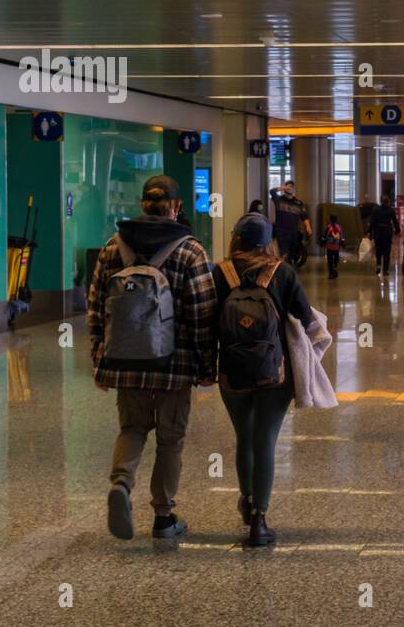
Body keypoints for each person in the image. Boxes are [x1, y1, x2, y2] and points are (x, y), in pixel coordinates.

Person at [88, 174, 216, 541]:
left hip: (125, 360)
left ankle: (121, 484)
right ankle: (163, 517)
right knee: (170, 438)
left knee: (132, 428)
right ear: (176, 207)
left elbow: (95, 306)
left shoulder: (114, 247)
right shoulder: (190, 250)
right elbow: (202, 312)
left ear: (143, 204)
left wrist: (100, 361)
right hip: (173, 364)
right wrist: (207, 366)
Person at [212, 213, 313, 547]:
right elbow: (307, 319)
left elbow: (207, 321)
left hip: (231, 369)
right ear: (269, 241)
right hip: (275, 371)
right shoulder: (282, 272)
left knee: (244, 435)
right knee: (265, 438)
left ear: (236, 239)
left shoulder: (221, 272)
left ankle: (246, 499)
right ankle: (260, 520)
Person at [269, 181, 303, 266]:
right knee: (284, 254)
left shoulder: (298, 203)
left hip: (294, 232)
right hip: (282, 232)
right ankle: (285, 272)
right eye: (288, 186)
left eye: (292, 187)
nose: (290, 188)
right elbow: (272, 191)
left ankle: (290, 270)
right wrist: (283, 187)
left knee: (292, 254)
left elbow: (303, 215)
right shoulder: (278, 200)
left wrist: (308, 226)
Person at [367, 194, 400, 277]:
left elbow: (372, 222)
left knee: (378, 249)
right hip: (387, 232)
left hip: (378, 231)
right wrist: (397, 231)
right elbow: (395, 221)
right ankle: (385, 270)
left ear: (381, 201)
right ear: (388, 201)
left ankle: (378, 265)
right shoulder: (391, 210)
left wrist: (369, 232)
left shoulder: (376, 209)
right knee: (386, 251)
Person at [322, 214, 344, 280]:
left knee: (330, 260)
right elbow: (342, 237)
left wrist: (322, 243)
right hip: (336, 247)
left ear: (330, 220)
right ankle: (335, 268)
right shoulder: (339, 227)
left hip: (329, 247)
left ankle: (331, 273)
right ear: (337, 220)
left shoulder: (328, 227)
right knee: (336, 259)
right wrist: (342, 244)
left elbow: (324, 236)